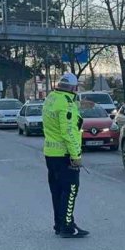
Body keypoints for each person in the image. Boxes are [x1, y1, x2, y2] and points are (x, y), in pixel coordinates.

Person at [44, 72, 89, 238]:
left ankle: (59, 224)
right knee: (70, 190)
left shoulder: (51, 98)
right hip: (65, 154)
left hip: (50, 153)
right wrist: (76, 154)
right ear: (74, 88)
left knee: (57, 190)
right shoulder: (67, 104)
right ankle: (68, 226)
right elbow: (68, 131)